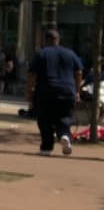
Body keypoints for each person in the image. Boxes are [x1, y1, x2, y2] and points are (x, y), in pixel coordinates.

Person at [27, 28, 83, 156]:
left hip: (45, 91)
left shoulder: (41, 54)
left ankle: (46, 147)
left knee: (45, 119)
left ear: (45, 40)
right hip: (67, 91)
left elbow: (32, 74)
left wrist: (29, 91)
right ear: (58, 39)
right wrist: (77, 90)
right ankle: (64, 135)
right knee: (64, 116)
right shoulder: (70, 53)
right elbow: (79, 71)